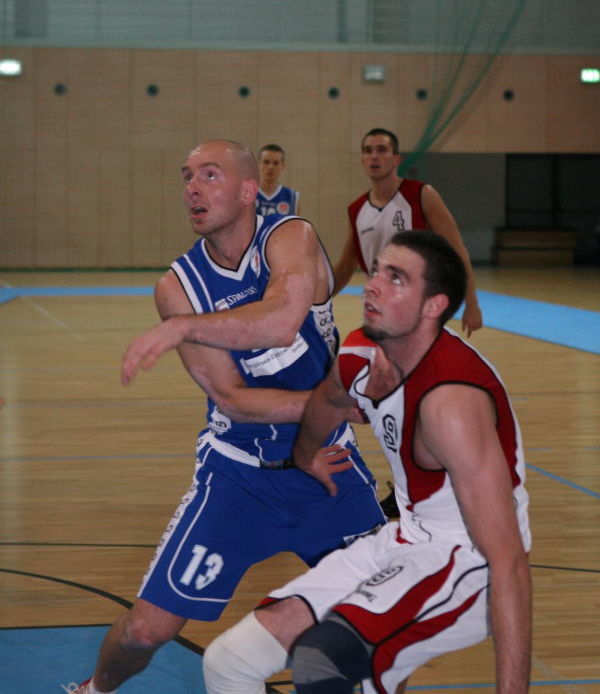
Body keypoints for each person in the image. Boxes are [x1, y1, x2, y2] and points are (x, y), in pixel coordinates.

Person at [63, 140, 384, 694]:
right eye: (186, 176)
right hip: (238, 479)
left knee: (383, 615)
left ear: (248, 190)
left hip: (328, 470)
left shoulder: (291, 236)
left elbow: (283, 320)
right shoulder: (177, 287)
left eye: (209, 175)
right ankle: (93, 690)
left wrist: (183, 328)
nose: (192, 187)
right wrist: (330, 405)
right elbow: (231, 397)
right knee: (144, 631)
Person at [203, 230, 532, 694]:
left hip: (471, 564)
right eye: (376, 270)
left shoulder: (451, 404)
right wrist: (306, 456)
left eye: (396, 278)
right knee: (229, 662)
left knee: (322, 663)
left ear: (433, 306)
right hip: (405, 540)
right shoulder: (361, 352)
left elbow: (509, 562)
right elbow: (327, 401)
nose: (372, 284)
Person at [333, 127, 482, 337]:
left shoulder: (422, 195)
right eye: (368, 151)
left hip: (420, 306)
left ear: (396, 160)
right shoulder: (356, 210)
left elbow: (457, 250)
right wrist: (316, 303)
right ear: (362, 161)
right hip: (379, 306)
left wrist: (472, 303)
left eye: (382, 150)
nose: (374, 156)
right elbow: (346, 266)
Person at [256, 143, 300, 217]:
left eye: (275, 163)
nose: (270, 167)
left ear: (283, 166)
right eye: (266, 162)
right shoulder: (248, 195)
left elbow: (296, 223)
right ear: (258, 164)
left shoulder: (292, 197)